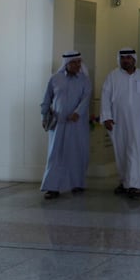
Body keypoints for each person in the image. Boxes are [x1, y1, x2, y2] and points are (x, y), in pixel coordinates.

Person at [101, 48, 140, 200]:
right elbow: (105, 96)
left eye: (128, 58)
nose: (125, 60)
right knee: (121, 151)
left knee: (136, 151)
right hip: (118, 121)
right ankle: (124, 182)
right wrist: (106, 117)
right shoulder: (113, 76)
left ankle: (135, 186)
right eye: (123, 58)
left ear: (134, 59)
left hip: (139, 121)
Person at [40, 51, 92, 199]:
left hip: (77, 124)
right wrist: (44, 116)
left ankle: (77, 183)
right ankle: (52, 187)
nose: (77, 65)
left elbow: (86, 99)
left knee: (77, 153)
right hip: (58, 124)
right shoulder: (55, 79)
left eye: (79, 62)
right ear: (66, 64)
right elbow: (47, 98)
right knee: (55, 155)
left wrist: (78, 113)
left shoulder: (84, 80)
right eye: (74, 62)